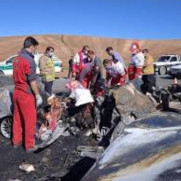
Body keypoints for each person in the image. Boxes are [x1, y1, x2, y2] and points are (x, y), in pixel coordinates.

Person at [12, 36, 43, 153]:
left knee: (17, 118)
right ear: (31, 46)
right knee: (30, 120)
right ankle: (29, 145)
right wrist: (37, 95)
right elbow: (32, 81)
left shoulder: (16, 59)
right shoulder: (29, 60)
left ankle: (16, 141)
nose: (36, 50)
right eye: (35, 47)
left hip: (16, 92)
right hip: (26, 93)